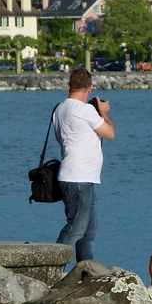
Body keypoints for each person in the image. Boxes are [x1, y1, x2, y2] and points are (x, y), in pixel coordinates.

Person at [53, 68, 115, 263]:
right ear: (89, 89)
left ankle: (86, 272)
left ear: (69, 87)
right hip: (78, 178)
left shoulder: (59, 109)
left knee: (89, 230)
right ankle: (51, 265)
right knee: (76, 228)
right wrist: (103, 113)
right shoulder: (85, 110)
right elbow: (110, 133)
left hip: (79, 177)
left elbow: (61, 140)